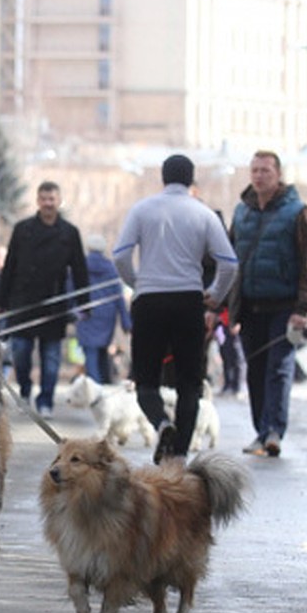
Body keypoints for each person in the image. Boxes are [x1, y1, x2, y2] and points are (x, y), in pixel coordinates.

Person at [113, 154, 238, 463]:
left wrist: (138, 282)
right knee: (189, 382)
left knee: (146, 380)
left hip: (150, 301)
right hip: (188, 301)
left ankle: (161, 423)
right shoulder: (204, 214)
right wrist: (214, 295)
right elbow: (229, 263)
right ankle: (179, 453)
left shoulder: (143, 210)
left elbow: (120, 255)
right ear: (191, 179)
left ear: (163, 178)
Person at [228, 150, 307, 457]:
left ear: (278, 174)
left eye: (265, 170)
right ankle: (261, 431)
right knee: (254, 369)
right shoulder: (242, 213)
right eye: (254, 170)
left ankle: (274, 431)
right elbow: (231, 261)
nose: (259, 175)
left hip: (284, 306)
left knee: (278, 368)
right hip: (251, 307)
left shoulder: (297, 212)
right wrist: (226, 306)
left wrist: (302, 309)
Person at [0, 181, 89, 417]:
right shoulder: (23, 229)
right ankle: (25, 392)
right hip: (23, 302)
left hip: (54, 304)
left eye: (52, 199)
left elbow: (79, 270)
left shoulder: (69, 233)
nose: (48, 203)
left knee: (51, 359)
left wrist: (83, 302)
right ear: (38, 201)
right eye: (44, 199)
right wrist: (1, 300)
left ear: (59, 201)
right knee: (21, 354)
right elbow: (9, 267)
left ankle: (45, 400)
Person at [76, 234, 130, 385]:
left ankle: (95, 386)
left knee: (90, 352)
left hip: (86, 314)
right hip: (107, 316)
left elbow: (71, 289)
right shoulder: (111, 269)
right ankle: (104, 384)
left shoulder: (80, 266)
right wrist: (126, 322)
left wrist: (71, 311)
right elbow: (119, 297)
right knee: (102, 351)